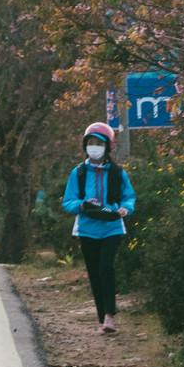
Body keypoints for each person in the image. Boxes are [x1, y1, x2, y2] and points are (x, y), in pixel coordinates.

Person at [61, 121, 135, 334]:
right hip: (87, 229)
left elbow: (129, 197)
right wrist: (82, 205)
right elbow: (68, 202)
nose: (94, 147)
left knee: (106, 268)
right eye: (91, 143)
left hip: (112, 227)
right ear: (85, 146)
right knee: (94, 273)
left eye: (99, 143)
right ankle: (102, 317)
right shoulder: (79, 173)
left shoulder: (118, 173)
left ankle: (110, 315)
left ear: (107, 147)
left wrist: (125, 209)